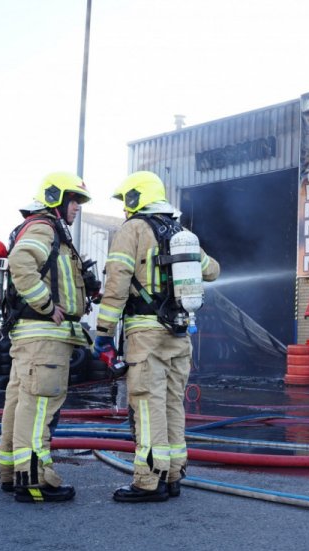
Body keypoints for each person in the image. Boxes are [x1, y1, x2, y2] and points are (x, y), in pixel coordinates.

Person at [95, 170, 219, 502]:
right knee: (171, 404)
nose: (123, 209)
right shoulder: (181, 233)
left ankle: (149, 480)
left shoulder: (132, 229)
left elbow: (117, 283)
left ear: (137, 198)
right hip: (179, 333)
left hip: (145, 332)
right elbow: (212, 270)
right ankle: (174, 473)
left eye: (126, 201)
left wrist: (104, 333)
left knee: (148, 406)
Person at [0, 172, 94, 503]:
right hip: (43, 338)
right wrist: (46, 304)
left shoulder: (45, 228)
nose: (77, 207)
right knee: (40, 406)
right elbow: (21, 262)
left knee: (20, 403)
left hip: (30, 338)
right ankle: (35, 479)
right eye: (74, 200)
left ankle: (11, 471)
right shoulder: (43, 227)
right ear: (56, 198)